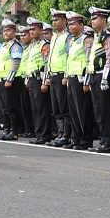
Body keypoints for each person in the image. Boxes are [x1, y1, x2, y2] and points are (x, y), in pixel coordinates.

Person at [86, 7, 110, 153]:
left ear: (103, 20)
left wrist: (105, 78)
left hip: (103, 76)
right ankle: (103, 140)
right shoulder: (97, 36)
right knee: (98, 110)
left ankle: (108, 142)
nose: (92, 21)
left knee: (105, 111)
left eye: (95, 18)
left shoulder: (107, 36)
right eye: (91, 18)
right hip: (95, 75)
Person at [63, 11, 93, 150]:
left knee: (83, 111)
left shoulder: (87, 39)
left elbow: (89, 61)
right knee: (73, 111)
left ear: (81, 25)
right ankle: (76, 138)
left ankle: (85, 139)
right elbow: (69, 60)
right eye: (69, 24)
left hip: (81, 79)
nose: (70, 26)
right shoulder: (73, 40)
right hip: (72, 78)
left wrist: (87, 82)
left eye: (73, 24)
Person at [0, 19, 23, 141]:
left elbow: (15, 62)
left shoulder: (15, 45)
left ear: (14, 32)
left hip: (10, 81)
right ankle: (6, 130)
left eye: (8, 30)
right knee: (4, 108)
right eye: (4, 31)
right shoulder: (4, 46)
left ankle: (14, 132)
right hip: (0, 81)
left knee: (12, 107)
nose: (5, 33)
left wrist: (9, 79)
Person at [45, 9, 72, 147]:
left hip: (62, 74)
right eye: (53, 20)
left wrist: (66, 75)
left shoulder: (68, 37)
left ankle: (66, 135)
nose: (54, 23)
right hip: (53, 75)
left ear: (64, 21)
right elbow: (50, 58)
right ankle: (60, 134)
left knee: (64, 107)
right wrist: (48, 74)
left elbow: (69, 57)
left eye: (57, 20)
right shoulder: (55, 36)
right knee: (55, 108)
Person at [25, 18, 53, 144]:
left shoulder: (44, 44)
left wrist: (45, 81)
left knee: (42, 108)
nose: (31, 32)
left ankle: (45, 134)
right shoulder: (32, 45)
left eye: (34, 29)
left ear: (41, 30)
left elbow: (47, 64)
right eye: (30, 29)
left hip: (39, 78)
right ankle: (39, 134)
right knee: (35, 109)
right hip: (32, 79)